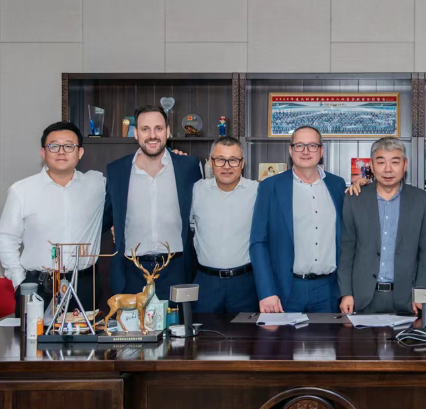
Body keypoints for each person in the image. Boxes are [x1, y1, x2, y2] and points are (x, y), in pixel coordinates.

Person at [0, 122, 104, 313]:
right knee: (34, 333)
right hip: (38, 286)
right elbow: (6, 238)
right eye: (54, 146)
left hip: (84, 285)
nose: (61, 152)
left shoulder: (97, 184)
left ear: (80, 152)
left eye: (69, 146)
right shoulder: (21, 191)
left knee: (86, 333)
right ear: (43, 152)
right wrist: (19, 280)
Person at [104, 105, 202, 298]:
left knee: (177, 319)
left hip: (176, 270)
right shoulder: (117, 170)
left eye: (158, 128)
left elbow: (201, 212)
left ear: (168, 131)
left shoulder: (188, 167)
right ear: (136, 133)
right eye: (145, 129)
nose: (152, 135)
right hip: (131, 271)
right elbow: (106, 216)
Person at [250, 126, 346, 313]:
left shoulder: (337, 185)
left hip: (329, 289)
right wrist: (266, 291)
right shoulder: (270, 187)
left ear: (321, 151)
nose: (306, 151)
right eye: (299, 145)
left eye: (312, 145)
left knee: (329, 334)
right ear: (290, 150)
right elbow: (258, 242)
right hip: (286, 289)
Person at [338, 137, 426, 315]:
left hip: (407, 299)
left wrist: (422, 294)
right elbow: (347, 249)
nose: (388, 169)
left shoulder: (422, 200)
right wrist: (346, 293)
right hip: (362, 298)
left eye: (395, 162)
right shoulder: (354, 199)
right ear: (372, 166)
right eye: (381, 162)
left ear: (405, 165)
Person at [190, 137, 259, 313]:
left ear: (242, 163)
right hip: (206, 283)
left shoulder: (257, 191)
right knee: (203, 330)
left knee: (246, 331)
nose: (227, 166)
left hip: (245, 283)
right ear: (211, 162)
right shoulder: (196, 190)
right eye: (220, 160)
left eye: (233, 160)